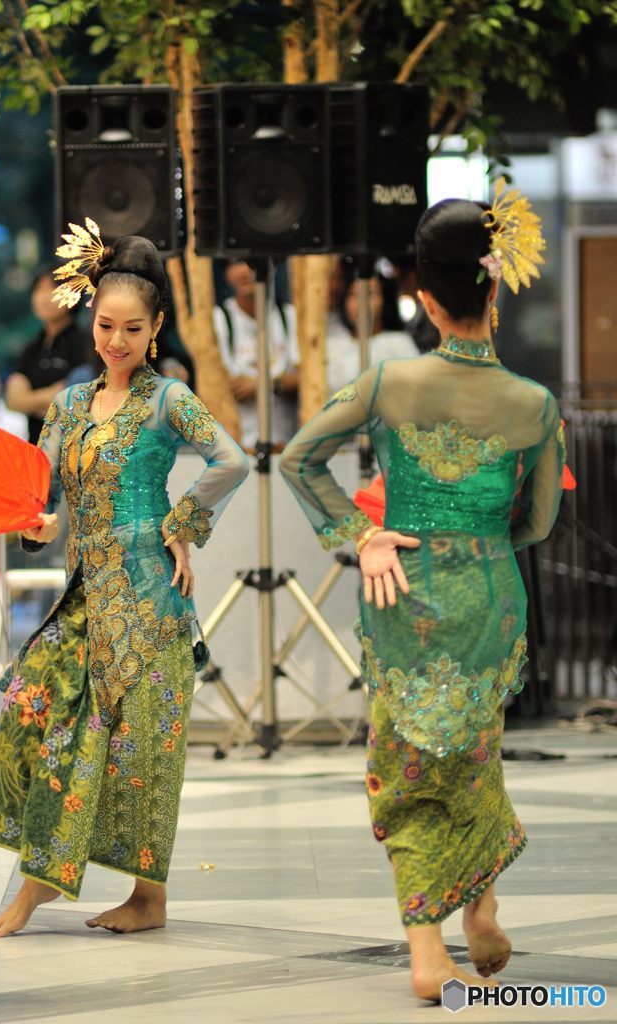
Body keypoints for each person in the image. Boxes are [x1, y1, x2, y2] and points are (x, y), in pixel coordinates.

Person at [279, 187, 562, 1001]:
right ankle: (482, 906)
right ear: (495, 289)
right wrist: (480, 549)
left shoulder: (386, 382)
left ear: (423, 294)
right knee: (475, 758)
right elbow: (538, 522)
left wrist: (361, 537)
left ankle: (427, 949)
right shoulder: (537, 406)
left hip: (400, 589)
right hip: (490, 594)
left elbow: (301, 459)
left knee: (402, 767)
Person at [0, 228, 249, 937]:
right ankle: (40, 879)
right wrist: (35, 525)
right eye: (104, 326)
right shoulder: (66, 404)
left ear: (156, 329)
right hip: (86, 592)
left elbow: (232, 460)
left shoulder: (167, 400)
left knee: (144, 748)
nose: (116, 341)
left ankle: (146, 899)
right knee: (42, 711)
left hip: (151, 594)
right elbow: (48, 504)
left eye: (132, 329)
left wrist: (182, 522)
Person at [212, 259, 299, 448]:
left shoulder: (288, 316)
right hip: (236, 447)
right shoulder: (218, 320)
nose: (246, 270)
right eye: (237, 263)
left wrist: (264, 385)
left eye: (252, 261)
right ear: (226, 273)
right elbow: (216, 382)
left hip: (286, 444)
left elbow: (307, 377)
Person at [6, 268, 92, 443]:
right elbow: (13, 400)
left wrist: (29, 401)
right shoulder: (32, 347)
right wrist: (49, 398)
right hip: (36, 446)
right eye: (39, 288)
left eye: (54, 288)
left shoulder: (86, 343)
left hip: (74, 449)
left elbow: (75, 400)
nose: (45, 296)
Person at [326, 268, 420, 395]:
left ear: (385, 300)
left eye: (369, 294)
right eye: (353, 294)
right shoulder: (332, 344)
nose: (360, 303)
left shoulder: (398, 343)